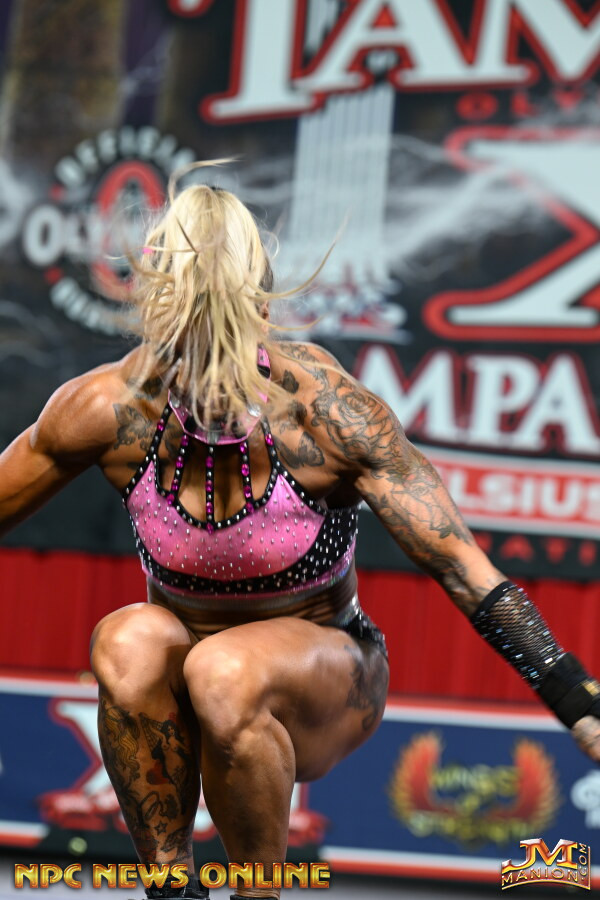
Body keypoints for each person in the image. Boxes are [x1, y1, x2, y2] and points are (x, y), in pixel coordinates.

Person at [1, 173, 600, 900]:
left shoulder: (325, 413)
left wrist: (576, 699)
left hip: (329, 679)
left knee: (223, 670)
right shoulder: (108, 410)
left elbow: (460, 567)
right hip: (191, 671)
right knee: (127, 640)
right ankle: (171, 889)